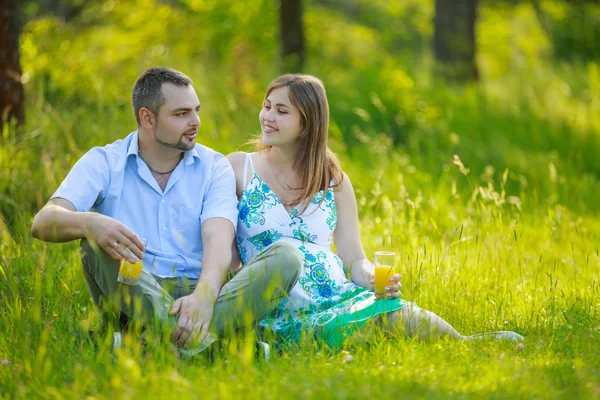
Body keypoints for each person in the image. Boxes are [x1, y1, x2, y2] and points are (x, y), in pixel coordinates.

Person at [227, 74, 524, 349]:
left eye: (281, 111)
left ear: (307, 123)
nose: (268, 117)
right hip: (272, 302)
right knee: (355, 335)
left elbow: (354, 257)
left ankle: (466, 343)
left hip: (332, 292)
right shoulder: (239, 168)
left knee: (396, 314)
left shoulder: (332, 179)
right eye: (267, 106)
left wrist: (371, 278)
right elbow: (221, 250)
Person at [31, 67, 303, 356]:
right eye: (181, 114)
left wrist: (204, 296)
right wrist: (92, 223)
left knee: (287, 256)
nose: (195, 122)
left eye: (196, 111)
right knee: (93, 246)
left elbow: (218, 240)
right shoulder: (104, 162)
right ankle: (216, 350)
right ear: (148, 118)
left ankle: (150, 346)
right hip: (134, 288)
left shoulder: (214, 167)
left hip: (202, 290)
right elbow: (44, 222)